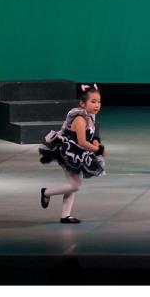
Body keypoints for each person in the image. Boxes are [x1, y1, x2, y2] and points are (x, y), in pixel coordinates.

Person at [38, 83, 105, 224]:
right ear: (82, 103)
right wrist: (98, 150)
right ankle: (46, 192)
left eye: (99, 102)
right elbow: (82, 142)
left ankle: (65, 216)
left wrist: (96, 141)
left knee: (73, 184)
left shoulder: (91, 117)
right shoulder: (80, 119)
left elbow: (92, 136)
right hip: (69, 154)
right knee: (75, 185)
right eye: (93, 102)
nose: (97, 105)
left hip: (79, 154)